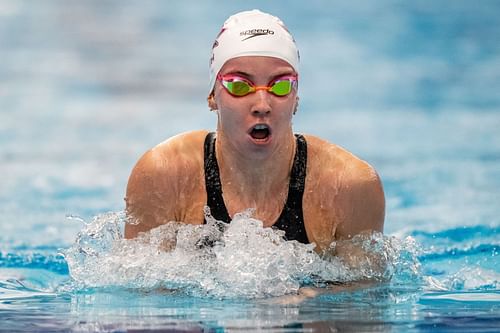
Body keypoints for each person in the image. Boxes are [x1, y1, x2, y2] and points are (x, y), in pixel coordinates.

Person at [124, 10, 385, 267]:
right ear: (213, 96)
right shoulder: (165, 175)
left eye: (280, 85)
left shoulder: (349, 186)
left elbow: (362, 299)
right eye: (239, 85)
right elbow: (142, 296)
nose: (262, 104)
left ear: (296, 98)